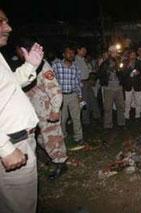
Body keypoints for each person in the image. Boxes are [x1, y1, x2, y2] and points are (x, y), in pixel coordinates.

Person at [0, 8, 44, 212]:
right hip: (12, 145)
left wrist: (30, 66)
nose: (8, 27)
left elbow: (8, 86)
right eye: (1, 22)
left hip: (19, 141)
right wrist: (5, 148)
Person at [16, 38, 68, 181]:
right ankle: (53, 158)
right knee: (40, 139)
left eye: (18, 51)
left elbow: (54, 88)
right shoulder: (26, 67)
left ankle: (60, 163)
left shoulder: (42, 66)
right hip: (34, 111)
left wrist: (56, 109)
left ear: (24, 50)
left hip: (47, 110)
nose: (17, 54)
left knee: (53, 138)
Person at [53, 45, 84, 144]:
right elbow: (51, 81)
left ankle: (78, 137)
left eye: (72, 53)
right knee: (62, 119)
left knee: (76, 117)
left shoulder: (75, 68)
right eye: (68, 52)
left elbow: (77, 82)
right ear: (63, 54)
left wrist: (79, 95)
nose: (71, 55)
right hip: (60, 96)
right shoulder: (56, 65)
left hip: (73, 95)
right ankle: (63, 136)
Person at [97, 45, 125, 129]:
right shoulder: (104, 63)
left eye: (115, 51)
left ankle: (121, 123)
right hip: (108, 88)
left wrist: (120, 69)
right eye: (113, 52)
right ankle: (108, 125)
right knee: (108, 107)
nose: (115, 53)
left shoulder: (120, 61)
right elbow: (100, 74)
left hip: (118, 87)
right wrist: (108, 70)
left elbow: (123, 73)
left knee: (120, 106)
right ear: (109, 53)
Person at [123, 50, 141, 120]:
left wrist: (139, 72)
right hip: (128, 85)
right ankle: (126, 114)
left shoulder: (140, 62)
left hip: (137, 84)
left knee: (138, 101)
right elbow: (123, 74)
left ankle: (137, 114)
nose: (132, 56)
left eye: (134, 55)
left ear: (136, 56)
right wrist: (127, 67)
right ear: (129, 56)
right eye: (131, 55)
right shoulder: (125, 63)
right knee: (127, 101)